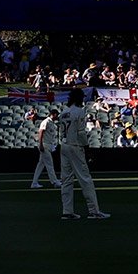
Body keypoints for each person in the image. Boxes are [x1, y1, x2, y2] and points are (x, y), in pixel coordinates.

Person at [57, 90, 109, 220]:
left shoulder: (63, 112)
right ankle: (94, 211)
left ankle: (67, 211)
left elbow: (61, 132)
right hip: (75, 146)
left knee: (66, 180)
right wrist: (87, 148)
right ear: (78, 98)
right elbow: (81, 132)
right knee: (85, 178)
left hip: (64, 146)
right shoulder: (79, 111)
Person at [31, 109, 59, 189]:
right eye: (56, 115)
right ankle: (54, 181)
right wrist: (40, 144)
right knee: (49, 164)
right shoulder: (46, 121)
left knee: (41, 165)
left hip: (48, 145)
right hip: (44, 145)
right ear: (53, 114)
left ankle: (34, 182)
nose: (57, 117)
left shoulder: (51, 123)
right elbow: (41, 132)